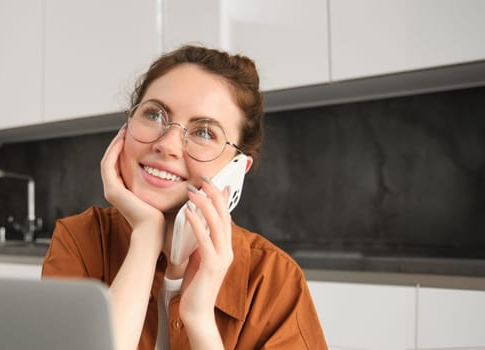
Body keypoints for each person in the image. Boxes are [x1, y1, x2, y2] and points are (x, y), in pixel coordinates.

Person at [41, 45, 327, 350]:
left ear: (237, 168)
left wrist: (200, 320)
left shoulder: (274, 279)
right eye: (153, 114)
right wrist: (146, 239)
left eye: (204, 132)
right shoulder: (79, 240)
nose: (167, 145)